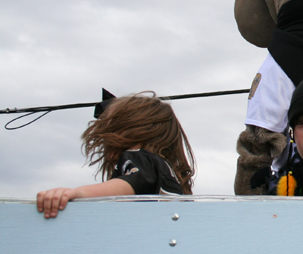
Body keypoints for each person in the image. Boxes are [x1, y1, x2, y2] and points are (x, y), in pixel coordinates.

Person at [37, 92, 195, 218]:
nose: (105, 140)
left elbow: (131, 183)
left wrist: (78, 193)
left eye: (110, 131)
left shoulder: (138, 157)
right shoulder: (164, 170)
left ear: (133, 131)